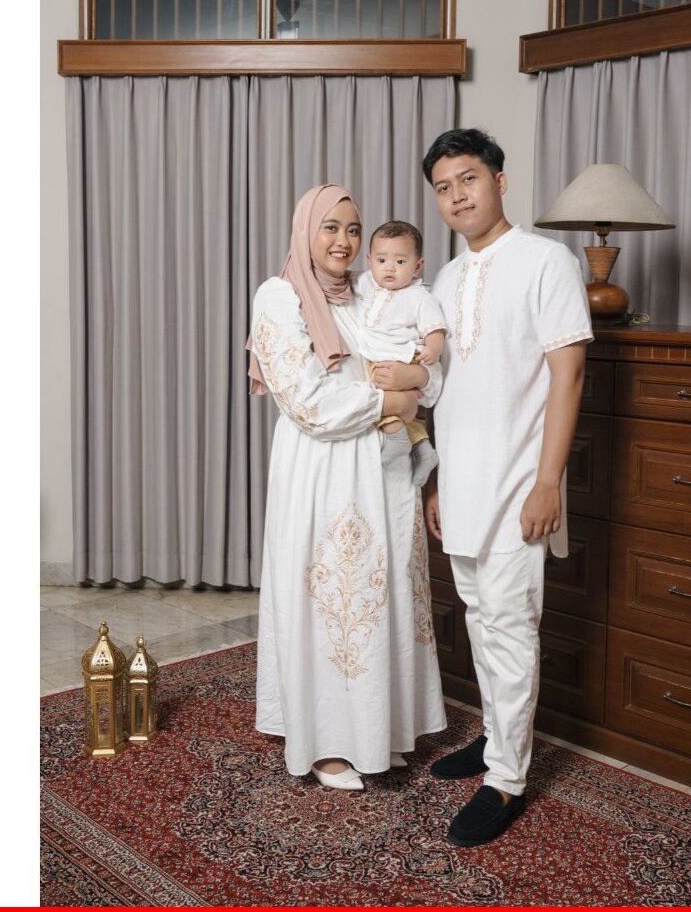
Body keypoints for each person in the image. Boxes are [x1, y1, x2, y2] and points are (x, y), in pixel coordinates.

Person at [420, 129, 592, 846]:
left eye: (469, 178)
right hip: (460, 483)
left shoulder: (548, 261)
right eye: (444, 187)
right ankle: (496, 739)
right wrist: (435, 478)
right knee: (478, 619)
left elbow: (568, 375)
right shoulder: (444, 281)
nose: (458, 195)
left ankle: (507, 782)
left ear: (500, 180)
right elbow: (444, 390)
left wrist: (549, 482)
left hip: (520, 483)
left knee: (512, 627)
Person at [247, 183, 447, 792]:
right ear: (304, 230)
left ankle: (381, 730)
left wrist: (415, 380)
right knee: (333, 601)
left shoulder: (369, 293)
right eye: (330, 227)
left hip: (385, 469)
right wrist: (394, 399)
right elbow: (306, 400)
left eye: (353, 229)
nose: (344, 241)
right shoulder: (280, 295)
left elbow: (433, 375)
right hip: (324, 470)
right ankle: (327, 740)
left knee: (384, 597)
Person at [350, 220, 445, 488]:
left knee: (383, 401)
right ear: (369, 261)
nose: (389, 268)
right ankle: (423, 448)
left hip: (404, 357)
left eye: (401, 262)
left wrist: (433, 349)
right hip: (376, 358)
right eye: (381, 260)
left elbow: (436, 328)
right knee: (384, 401)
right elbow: (341, 280)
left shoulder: (419, 297)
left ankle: (396, 440)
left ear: (417, 265)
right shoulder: (365, 283)